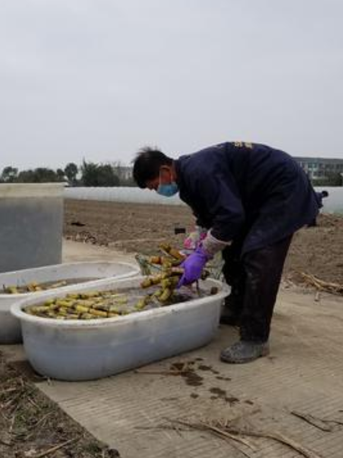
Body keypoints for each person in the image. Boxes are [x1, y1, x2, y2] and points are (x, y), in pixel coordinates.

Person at [132, 141, 320, 364]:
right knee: (232, 249)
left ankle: (255, 339)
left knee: (258, 254)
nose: (157, 191)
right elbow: (210, 217)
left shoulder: (199, 172)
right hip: (254, 198)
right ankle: (237, 309)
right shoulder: (188, 181)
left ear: (164, 171)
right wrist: (196, 244)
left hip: (283, 190)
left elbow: (230, 217)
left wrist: (203, 255)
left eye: (154, 186)